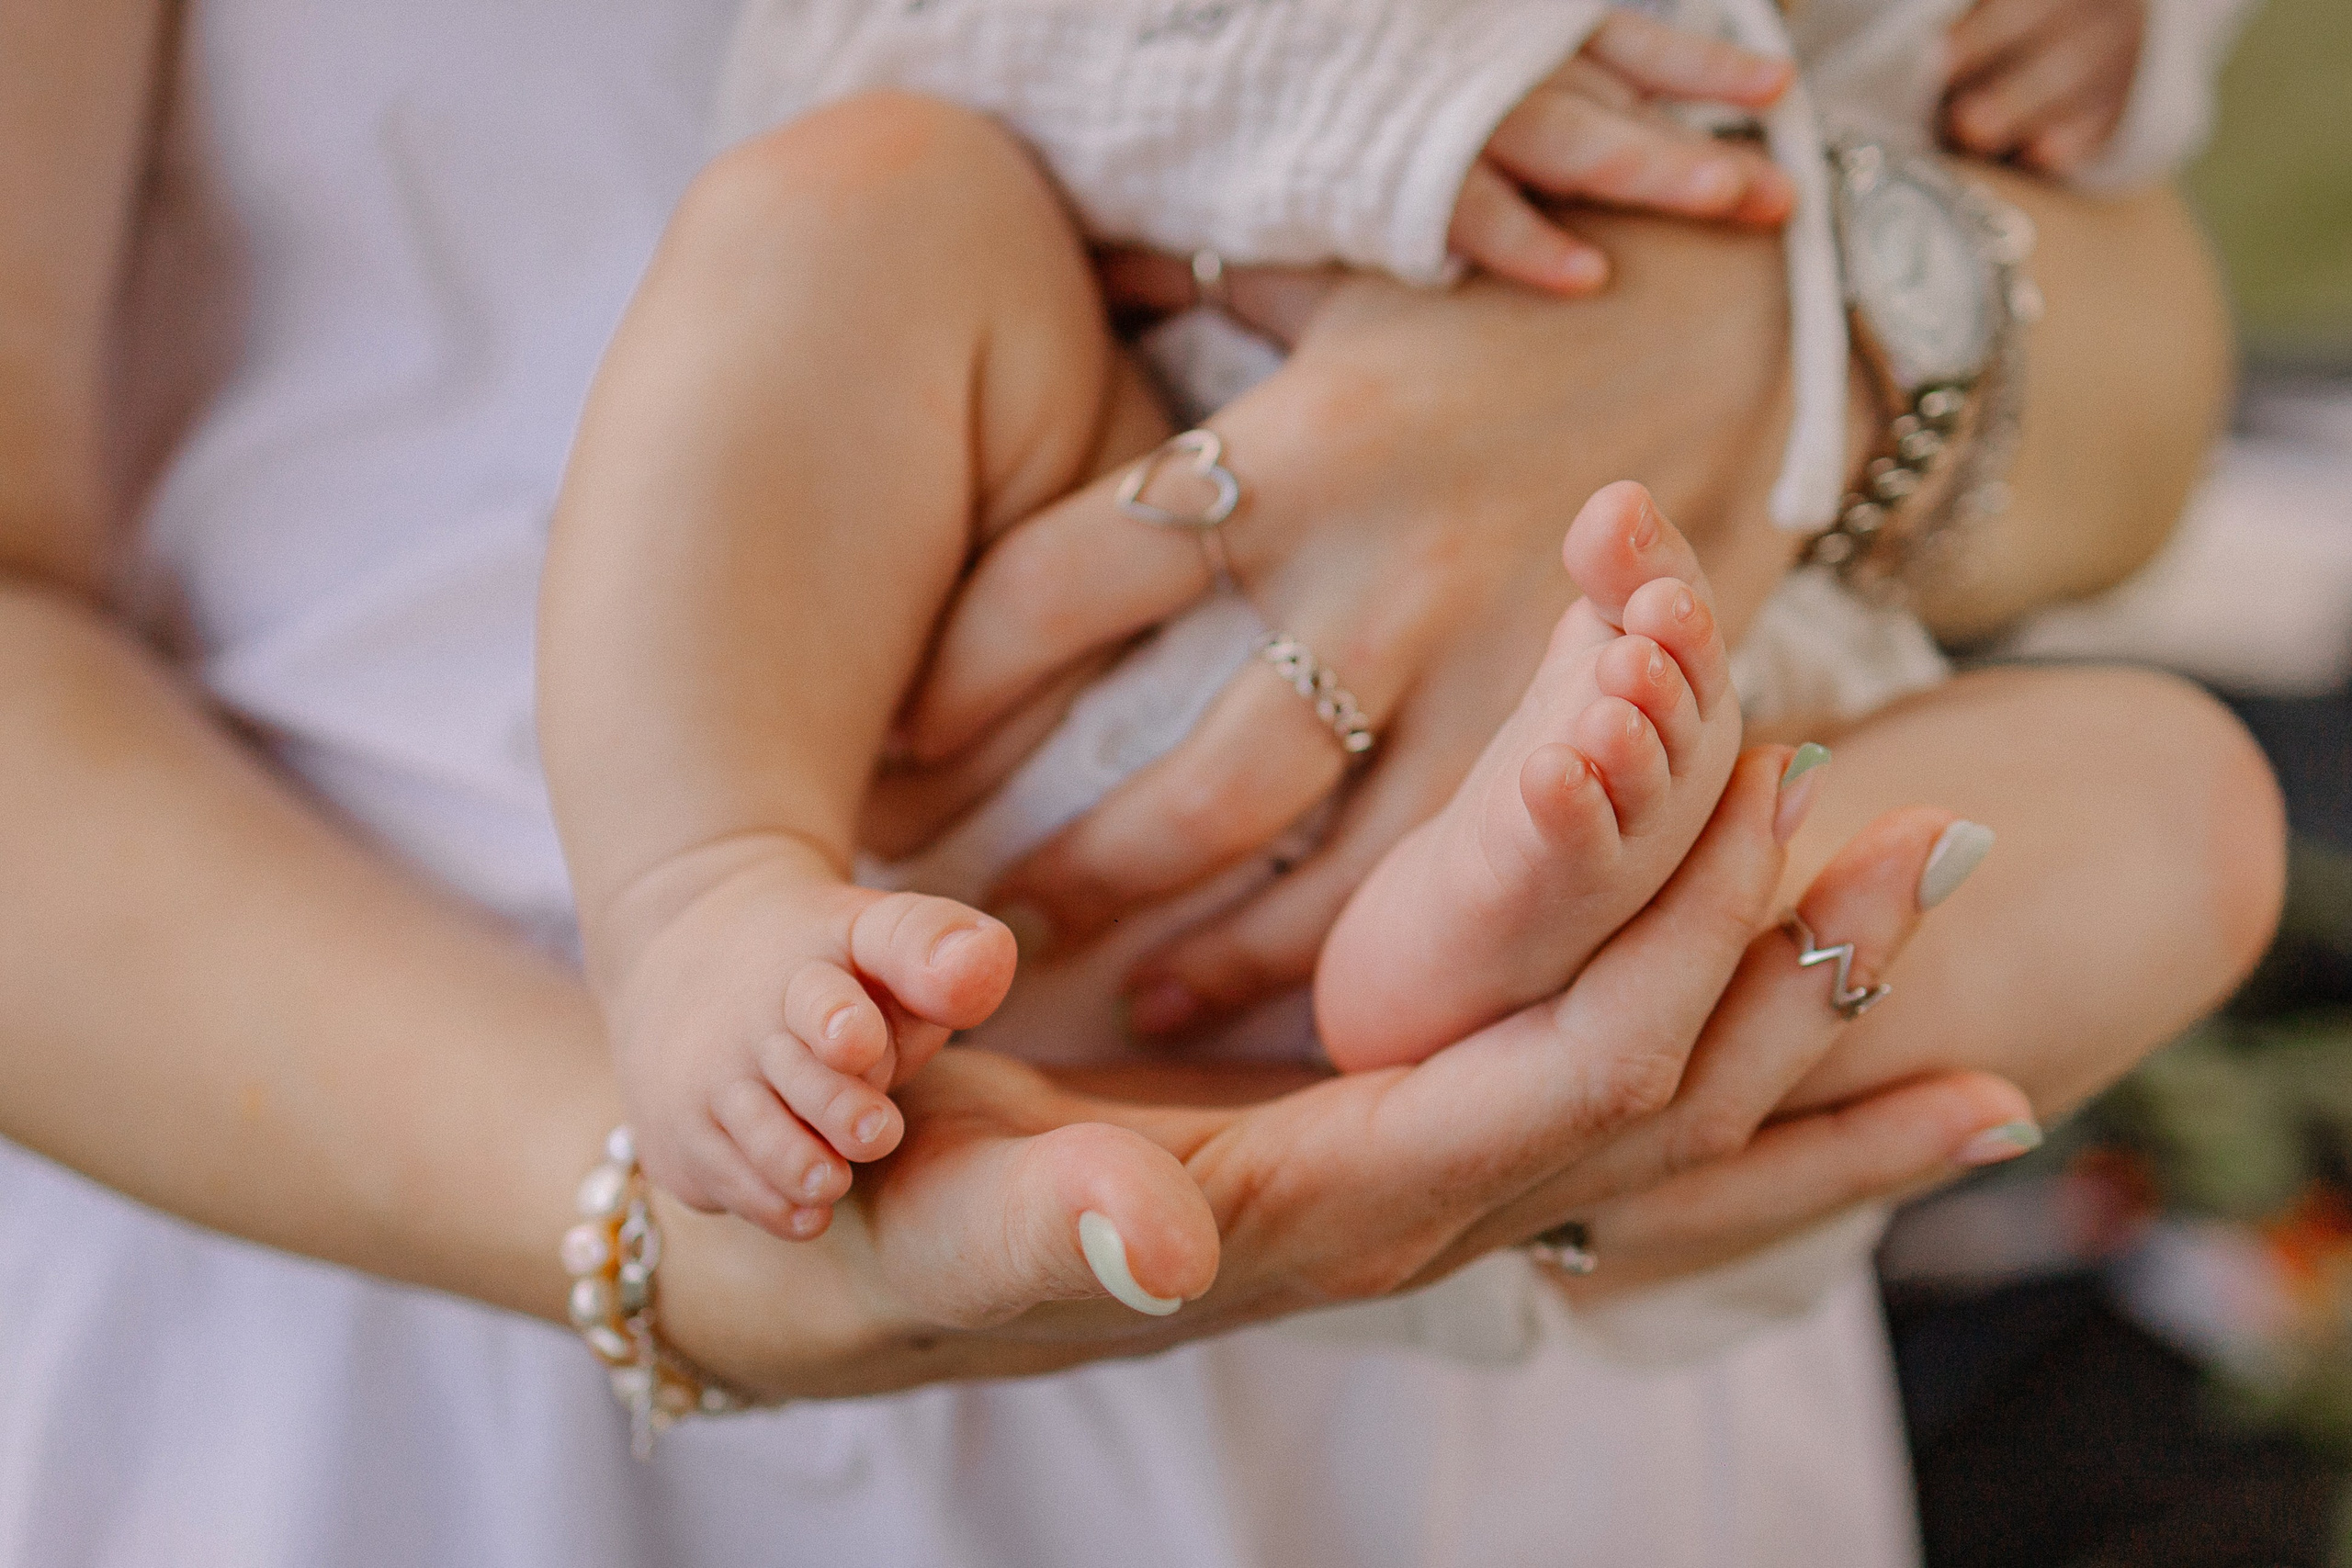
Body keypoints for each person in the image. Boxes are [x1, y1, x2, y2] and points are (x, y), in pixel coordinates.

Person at [0, 2, 2277, 1563]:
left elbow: (2123, 348)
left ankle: (1518, 1009)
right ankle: (707, 883)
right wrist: (1393, 109)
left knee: (2188, 814)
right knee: (851, 204)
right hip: (670, 991)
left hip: (1675, 716)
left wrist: (1922, 225)